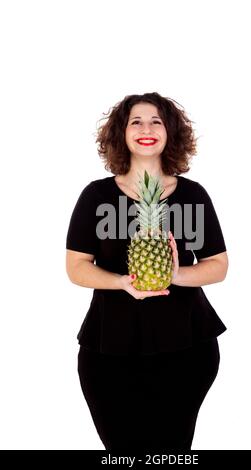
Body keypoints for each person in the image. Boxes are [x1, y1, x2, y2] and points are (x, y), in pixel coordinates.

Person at [65, 92, 229, 451]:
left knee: (173, 450)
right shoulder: (97, 196)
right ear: (121, 134)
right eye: (135, 121)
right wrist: (121, 283)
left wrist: (174, 274)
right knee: (121, 451)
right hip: (109, 346)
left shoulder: (192, 196)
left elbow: (218, 265)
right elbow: (76, 268)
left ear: (170, 132)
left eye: (156, 121)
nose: (146, 129)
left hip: (187, 345)